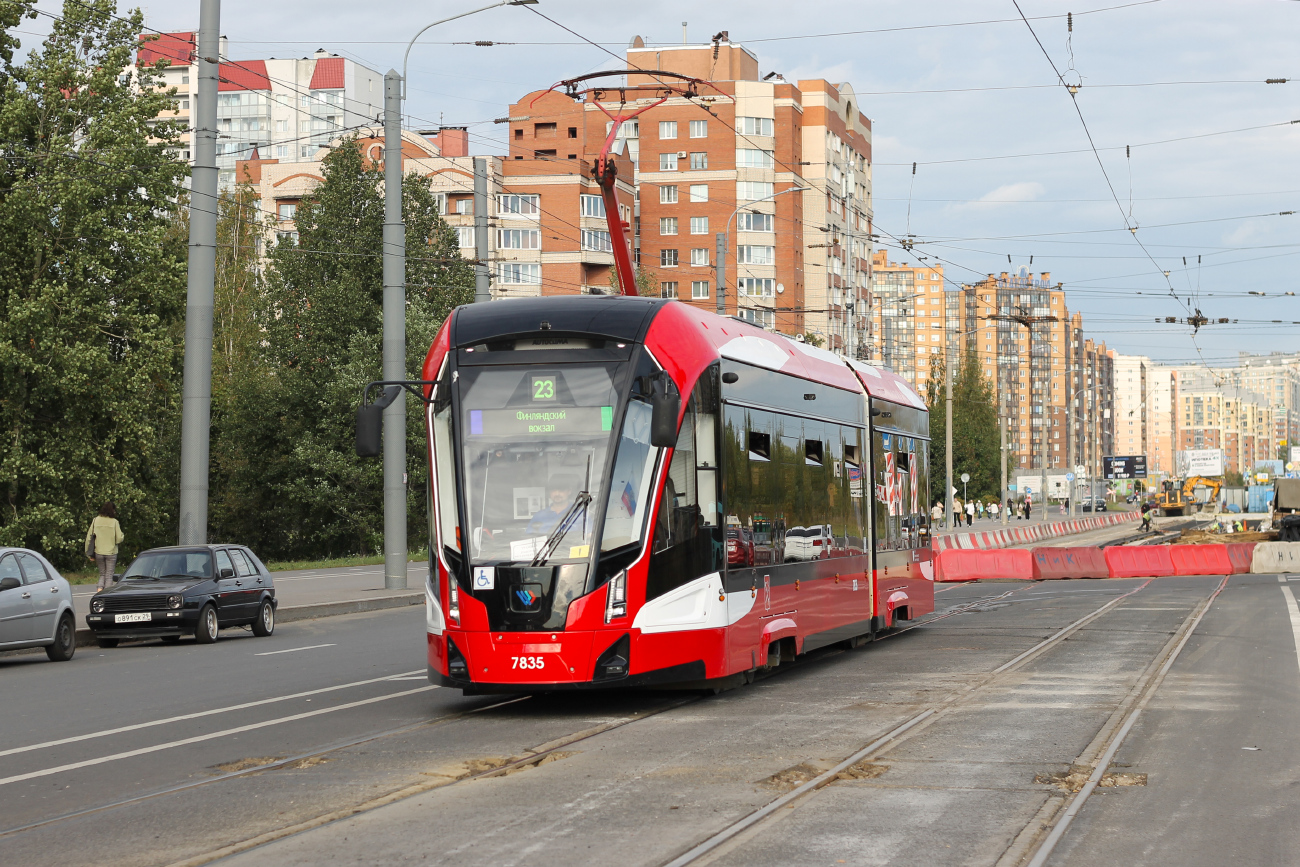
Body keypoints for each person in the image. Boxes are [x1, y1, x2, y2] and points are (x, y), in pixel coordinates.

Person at [86, 501, 125, 592]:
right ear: (112, 510)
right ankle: (106, 593)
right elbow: (119, 539)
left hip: (98, 552)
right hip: (111, 552)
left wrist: (89, 554)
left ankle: (99, 589)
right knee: (109, 575)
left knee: (102, 574)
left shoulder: (95, 520)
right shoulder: (114, 522)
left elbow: (89, 537)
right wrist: (122, 536)